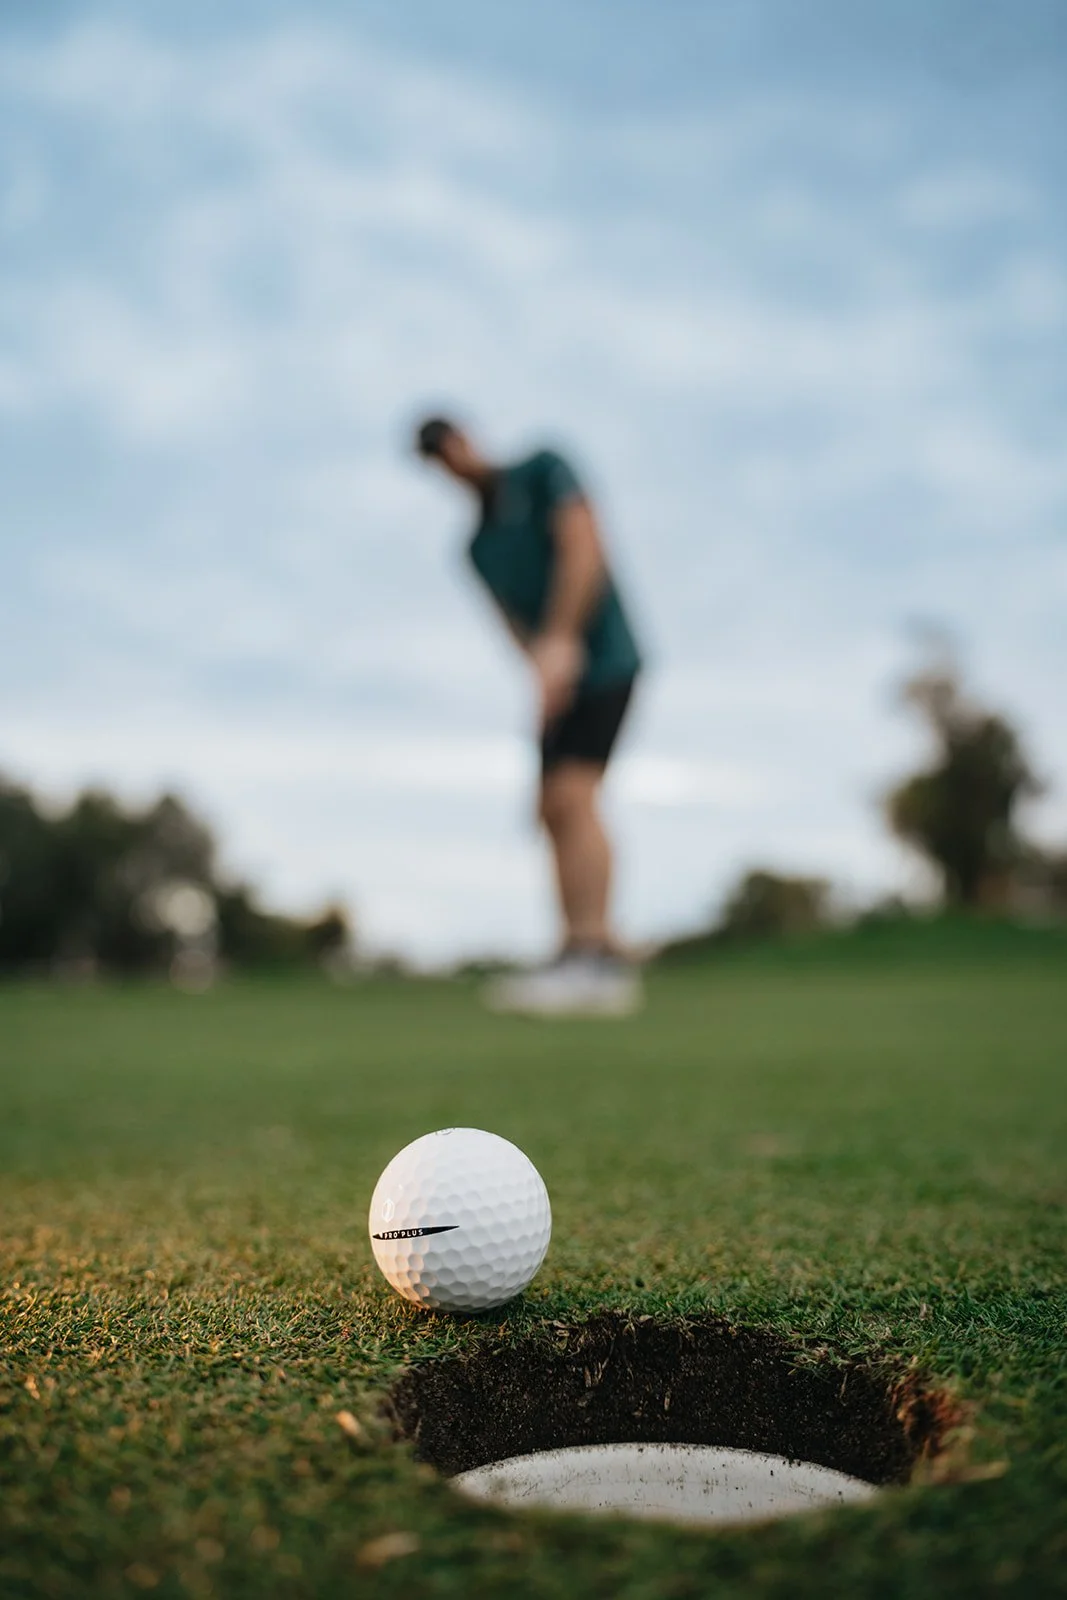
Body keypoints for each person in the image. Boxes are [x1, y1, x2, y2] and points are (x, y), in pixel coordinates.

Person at [415, 415, 644, 1016]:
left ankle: (597, 959)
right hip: (554, 679)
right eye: (437, 463)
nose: (452, 466)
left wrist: (564, 639)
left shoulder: (544, 468)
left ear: (466, 438)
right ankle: (575, 951)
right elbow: (513, 625)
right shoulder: (475, 548)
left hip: (607, 660)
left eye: (451, 449)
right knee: (548, 810)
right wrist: (539, 674)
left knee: (574, 795)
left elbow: (584, 546)